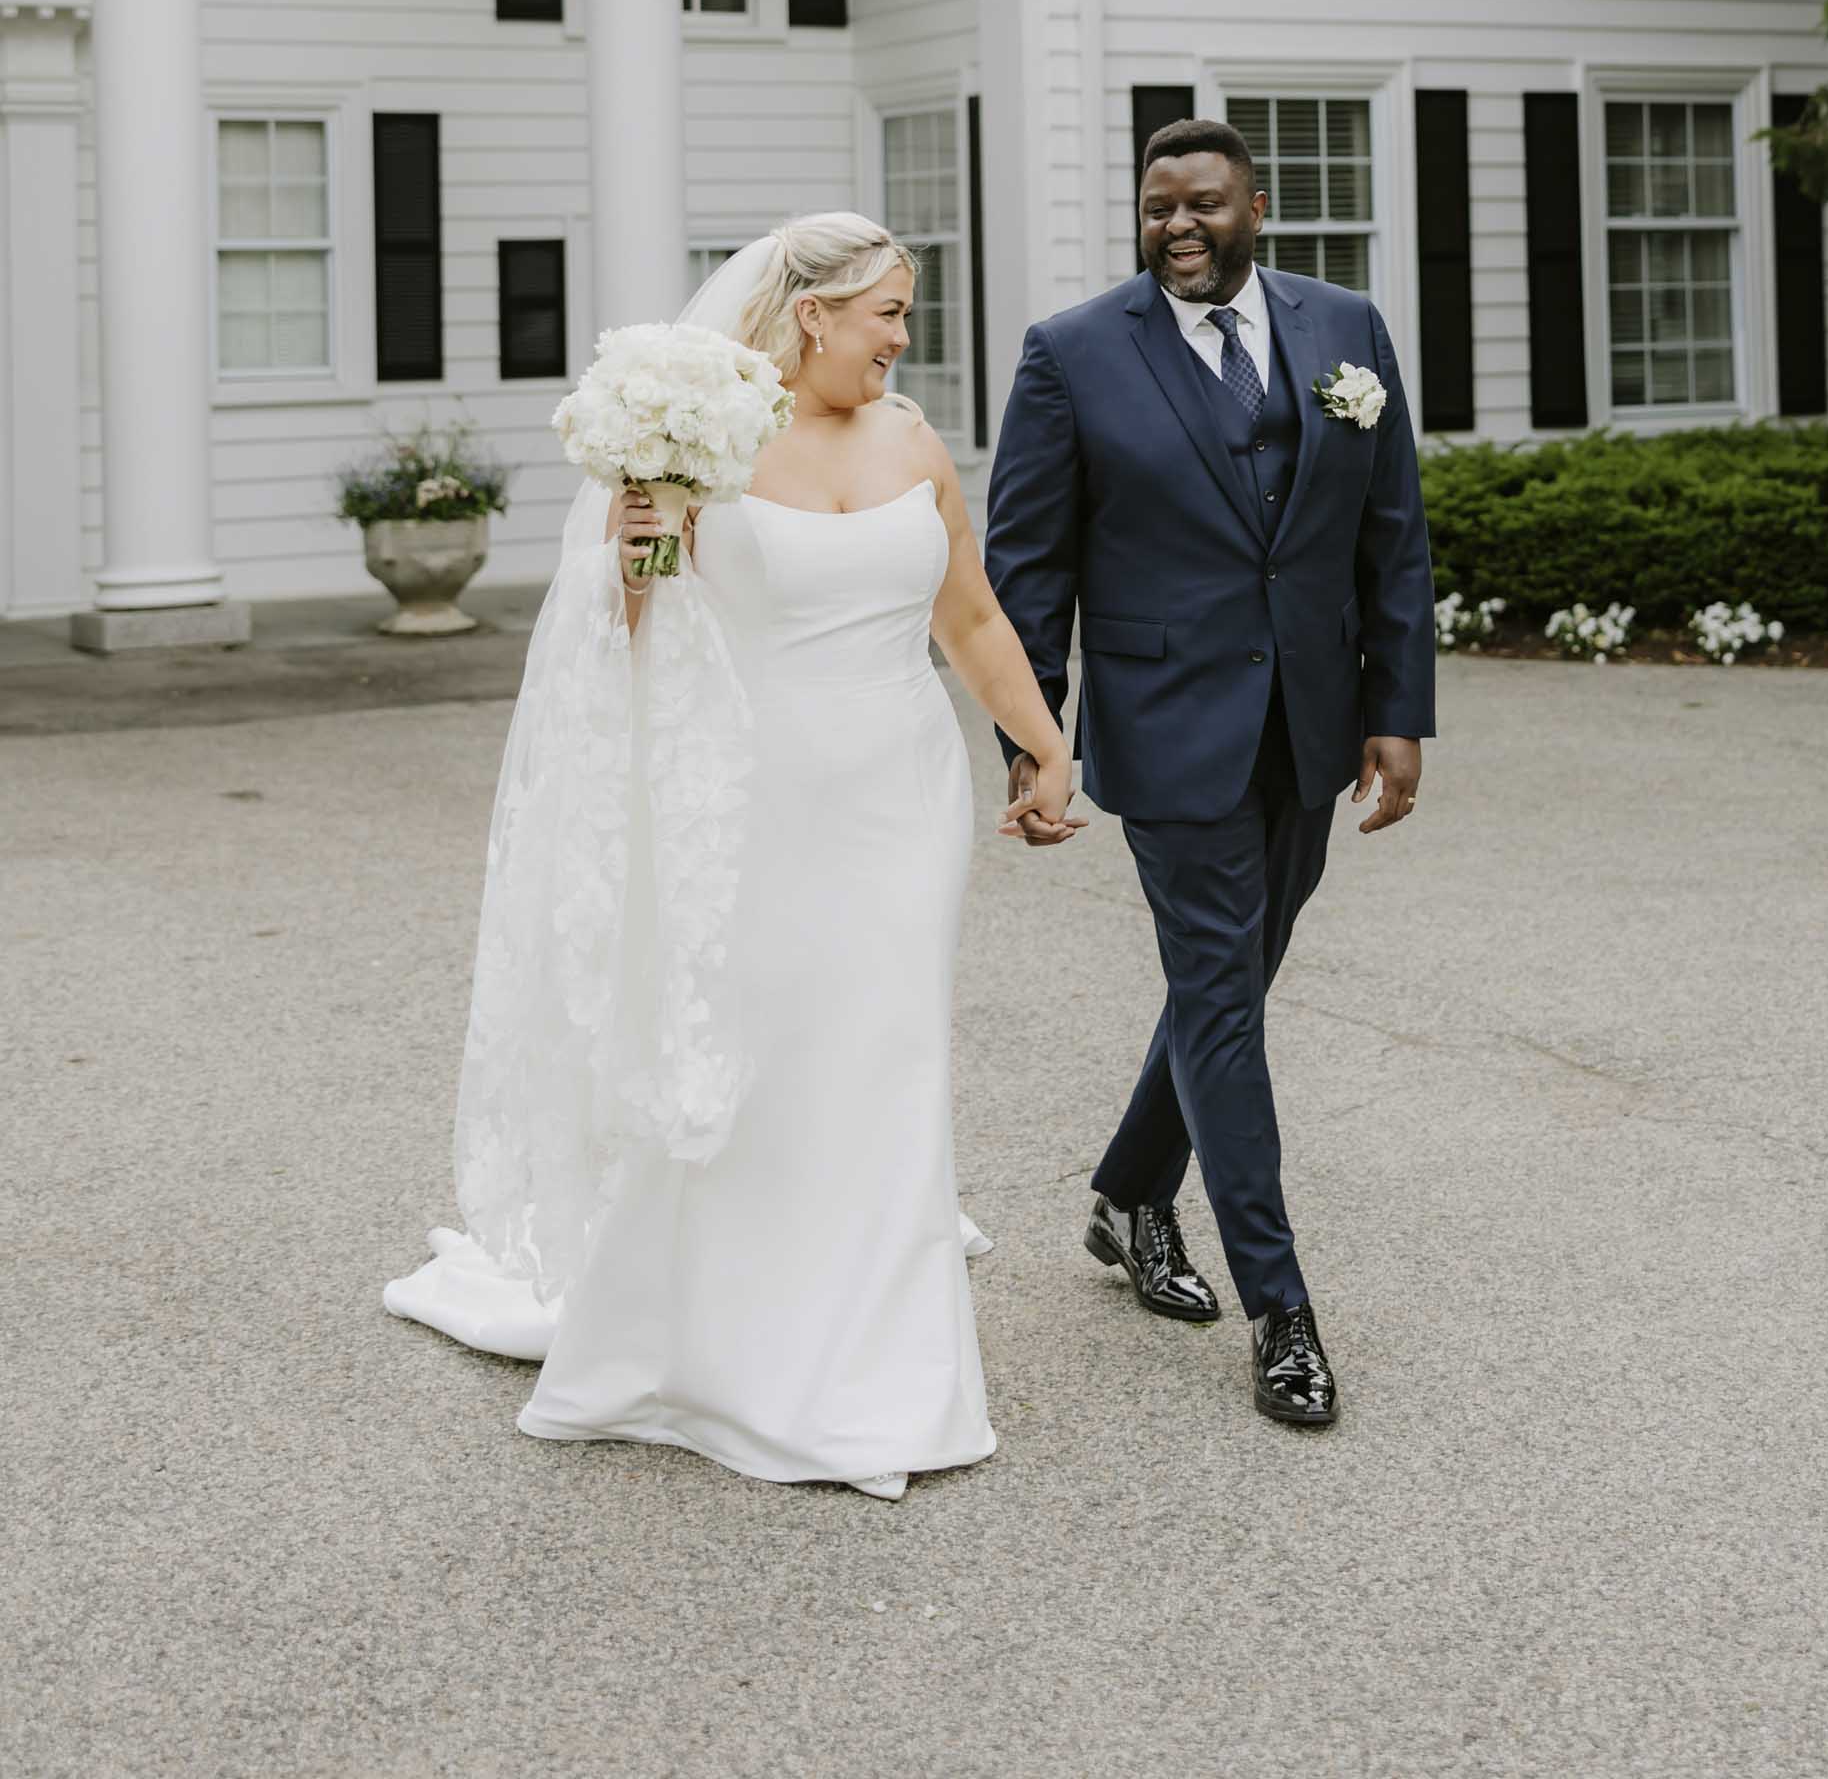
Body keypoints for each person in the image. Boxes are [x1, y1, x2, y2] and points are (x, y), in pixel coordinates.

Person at [387, 214, 1078, 1501]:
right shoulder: (702, 439)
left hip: (899, 793)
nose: (901, 338)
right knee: (756, 1050)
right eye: (886, 312)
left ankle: (881, 1349)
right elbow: (626, 628)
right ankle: (716, 1343)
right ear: (812, 314)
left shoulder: (911, 438)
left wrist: (1043, 745)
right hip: (755, 799)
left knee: (888, 1049)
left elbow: (969, 612)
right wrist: (640, 530)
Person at [983, 119, 1435, 1428]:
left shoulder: (1346, 326)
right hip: (1167, 728)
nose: (1177, 225)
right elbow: (1028, 570)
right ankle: (1282, 1310)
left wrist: (1396, 709)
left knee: (1225, 983)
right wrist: (1034, 743)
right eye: (1154, 206)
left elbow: (1391, 534)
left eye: (1202, 204)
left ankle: (1129, 1194)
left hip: (1310, 722)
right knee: (1225, 1008)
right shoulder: (1072, 354)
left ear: (1258, 205)